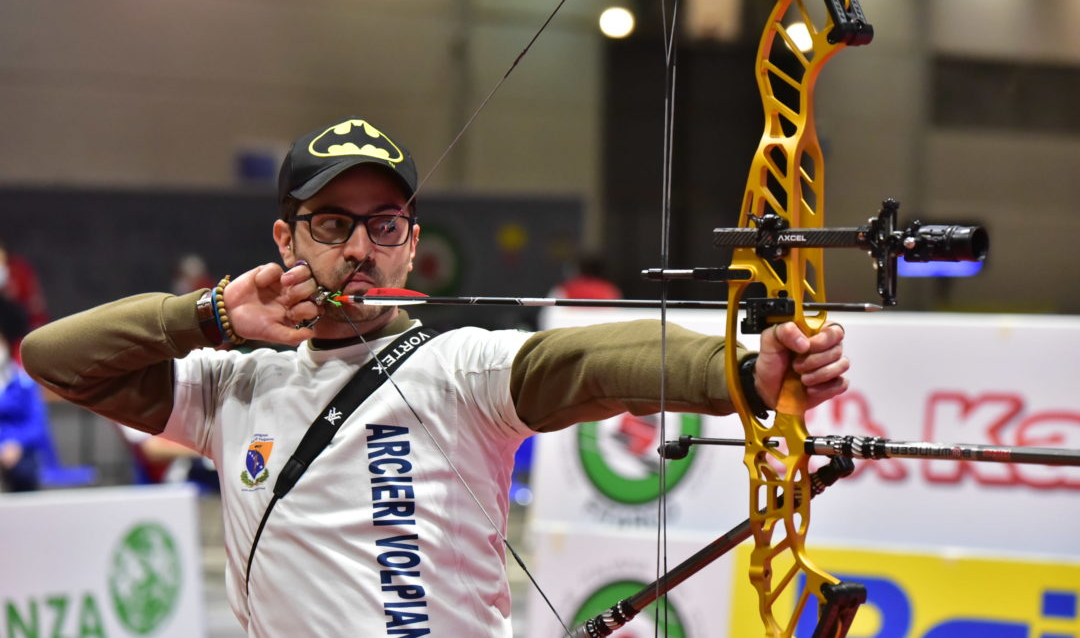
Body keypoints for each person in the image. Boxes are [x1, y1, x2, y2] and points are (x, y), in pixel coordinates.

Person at [22, 116, 849, 637]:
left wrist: (741, 371)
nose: (359, 248)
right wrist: (211, 314)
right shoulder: (230, 386)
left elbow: (586, 362)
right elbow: (52, 358)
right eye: (332, 223)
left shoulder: (459, 369)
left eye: (384, 224)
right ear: (286, 239)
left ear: (412, 245)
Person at [0, 297, 48, 492]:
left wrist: (16, 444)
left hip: (20, 456)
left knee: (25, 471)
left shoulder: (23, 382)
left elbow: (36, 424)